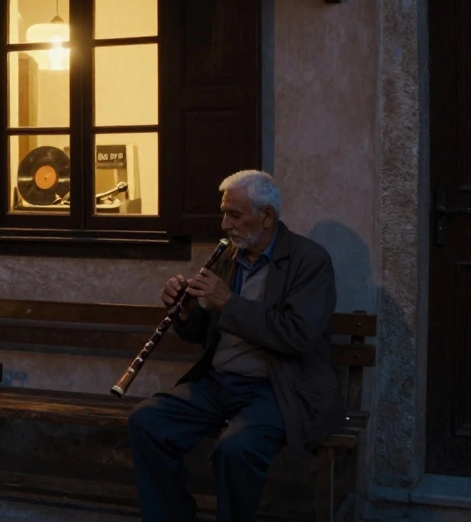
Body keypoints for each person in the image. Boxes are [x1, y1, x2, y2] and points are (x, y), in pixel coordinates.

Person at [127, 170, 345, 522]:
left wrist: (228, 302)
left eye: (235, 215)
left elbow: (298, 335)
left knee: (235, 448)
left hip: (277, 389)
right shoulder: (230, 258)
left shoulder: (309, 261)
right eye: (224, 213)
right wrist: (185, 313)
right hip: (218, 384)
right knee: (147, 421)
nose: (225, 224)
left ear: (267, 217)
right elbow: (206, 333)